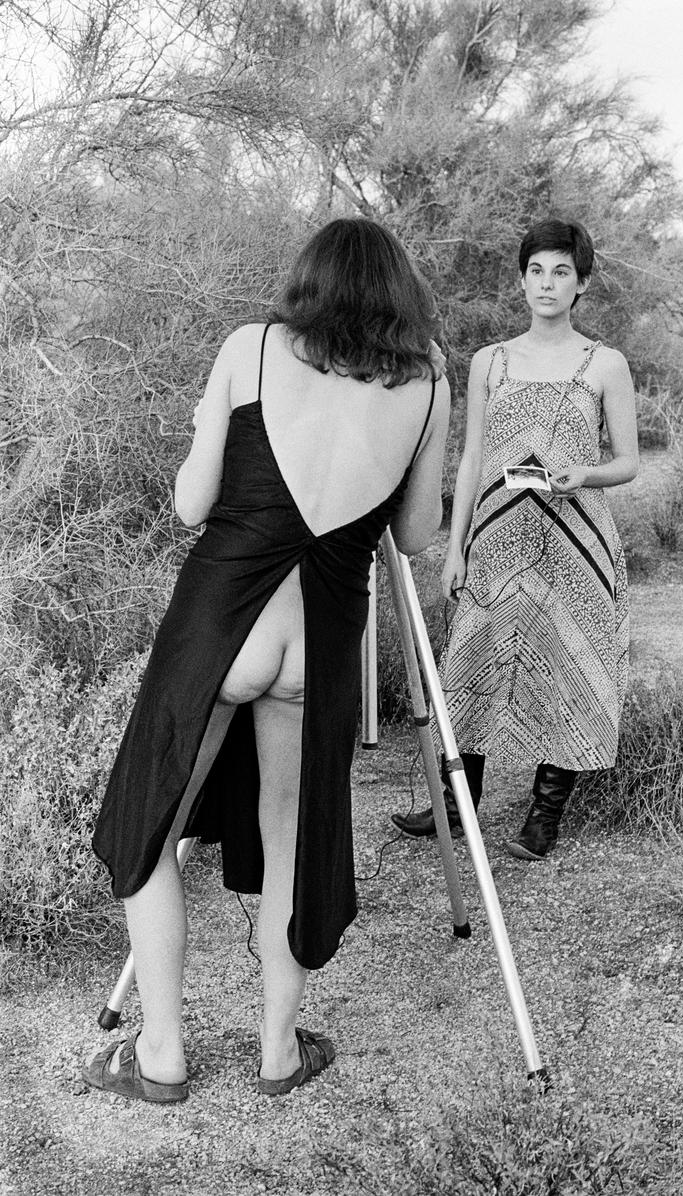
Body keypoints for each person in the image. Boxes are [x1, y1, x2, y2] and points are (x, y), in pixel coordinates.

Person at [83, 217, 450, 1103]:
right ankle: (278, 1051)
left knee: (152, 830)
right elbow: (414, 533)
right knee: (293, 840)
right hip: (319, 642)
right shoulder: (430, 378)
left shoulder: (249, 348)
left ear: (308, 281)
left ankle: (161, 1054)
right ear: (398, 294)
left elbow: (190, 503)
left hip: (223, 626)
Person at [391, 217, 637, 860]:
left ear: (582, 283)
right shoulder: (490, 361)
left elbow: (629, 462)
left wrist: (585, 473)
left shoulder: (605, 363)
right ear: (521, 279)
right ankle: (455, 804)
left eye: (561, 272)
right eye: (535, 271)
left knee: (570, 665)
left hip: (576, 539)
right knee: (469, 659)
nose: (546, 284)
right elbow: (471, 457)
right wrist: (455, 545)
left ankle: (545, 814)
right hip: (497, 536)